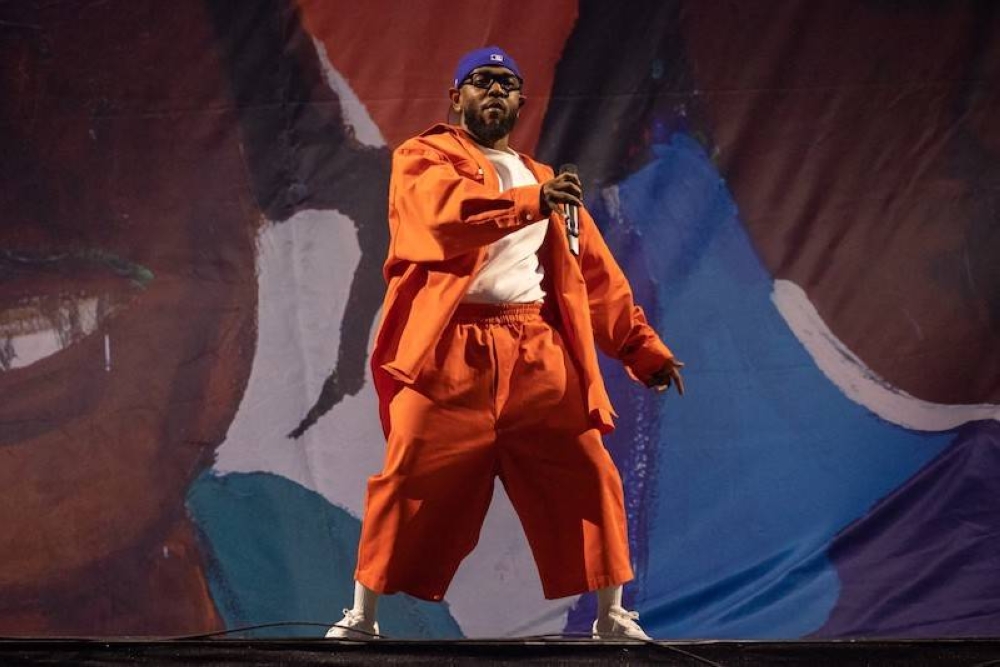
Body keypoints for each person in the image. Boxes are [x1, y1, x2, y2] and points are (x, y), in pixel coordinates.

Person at [326, 46, 685, 641]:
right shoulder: (424, 158)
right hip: (449, 350)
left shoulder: (547, 183)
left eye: (507, 84)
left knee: (589, 471)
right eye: (482, 81)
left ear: (520, 101)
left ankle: (611, 617)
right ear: (456, 96)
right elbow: (440, 218)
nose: (495, 91)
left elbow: (594, 276)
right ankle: (363, 617)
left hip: (535, 350)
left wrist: (642, 349)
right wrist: (529, 204)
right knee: (409, 475)